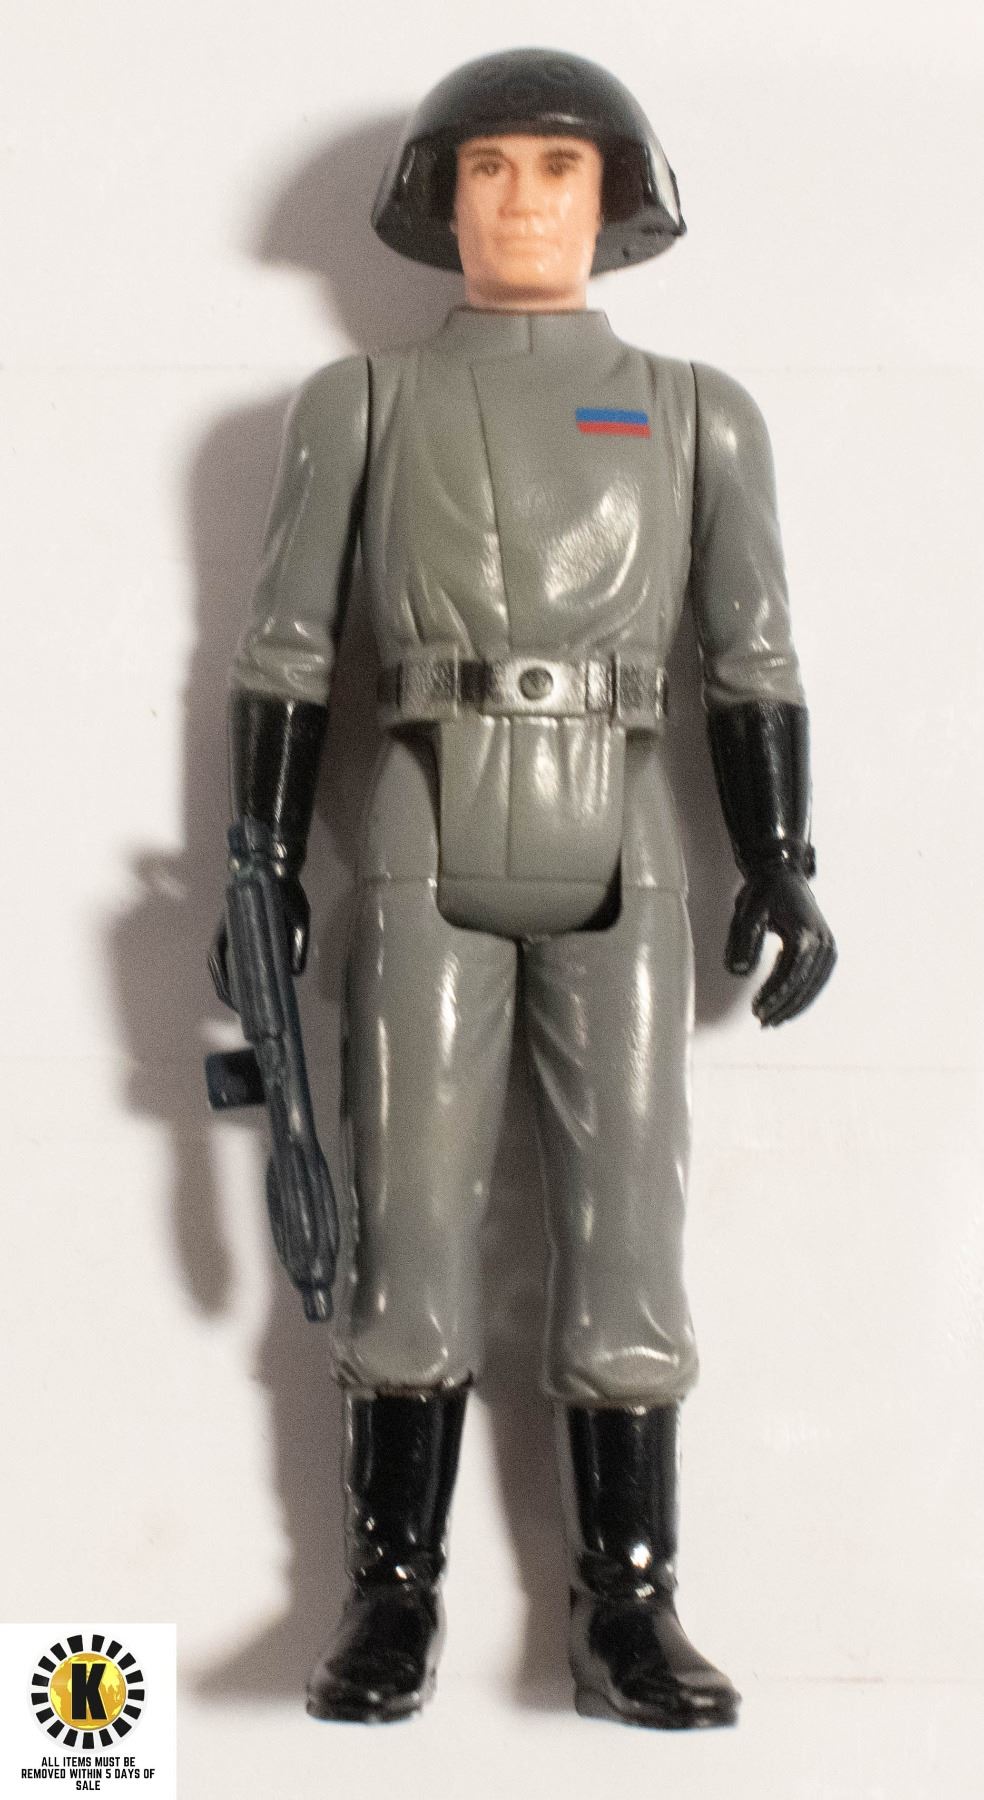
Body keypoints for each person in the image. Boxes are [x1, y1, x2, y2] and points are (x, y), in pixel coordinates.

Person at [210, 48, 835, 1729]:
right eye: (489, 168)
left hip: (624, 831)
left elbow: (754, 658)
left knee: (629, 1222)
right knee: (408, 1219)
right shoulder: (362, 402)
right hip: (422, 817)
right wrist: (261, 858)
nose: (524, 201)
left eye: (559, 170)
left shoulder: (697, 411)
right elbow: (284, 652)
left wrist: (782, 854)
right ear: (441, 199)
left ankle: (630, 1602)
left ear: (615, 199)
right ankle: (388, 1592)